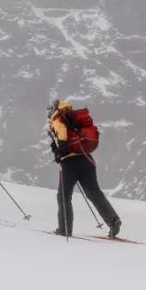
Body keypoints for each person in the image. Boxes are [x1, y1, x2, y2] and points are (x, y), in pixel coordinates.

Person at [49, 99, 122, 238]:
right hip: (86, 160)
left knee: (63, 196)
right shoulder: (74, 118)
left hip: (70, 164)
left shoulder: (58, 120)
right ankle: (113, 220)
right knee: (94, 193)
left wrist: (58, 154)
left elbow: (63, 147)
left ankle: (64, 230)